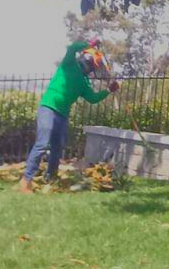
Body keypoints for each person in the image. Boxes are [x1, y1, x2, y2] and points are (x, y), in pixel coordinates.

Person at [19, 40, 118, 191]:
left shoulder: (84, 83)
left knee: (57, 148)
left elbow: (92, 99)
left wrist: (108, 90)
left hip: (62, 115)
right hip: (48, 108)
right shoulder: (68, 64)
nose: (92, 70)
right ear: (88, 61)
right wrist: (89, 44)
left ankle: (50, 178)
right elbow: (72, 48)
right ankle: (26, 181)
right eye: (93, 66)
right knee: (42, 144)